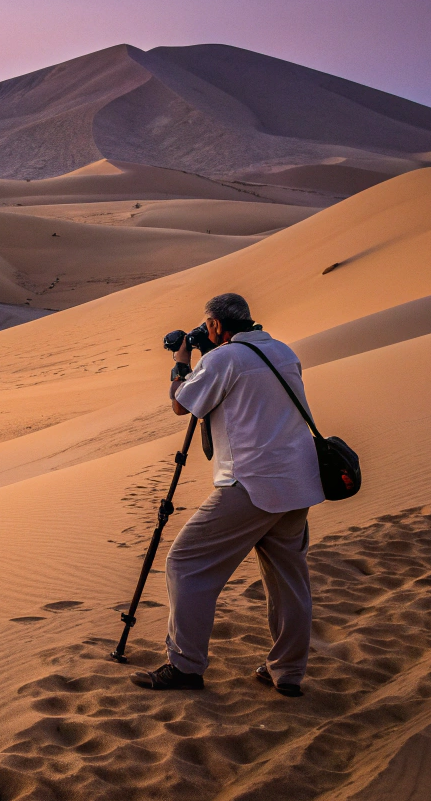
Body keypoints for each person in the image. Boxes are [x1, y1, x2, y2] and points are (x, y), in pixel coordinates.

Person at [130, 293, 323, 697]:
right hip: (299, 482)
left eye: (207, 325)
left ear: (216, 325)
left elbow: (182, 404)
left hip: (251, 483)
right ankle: (287, 671)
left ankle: (185, 666)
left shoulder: (222, 360)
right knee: (288, 579)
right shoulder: (283, 351)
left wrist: (182, 364)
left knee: (185, 562)